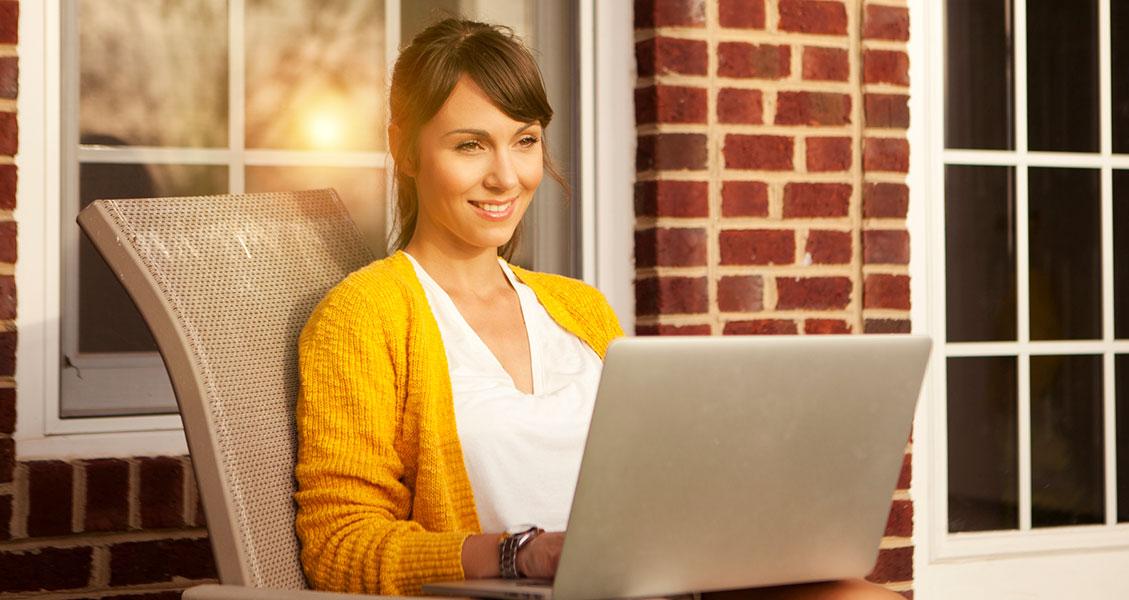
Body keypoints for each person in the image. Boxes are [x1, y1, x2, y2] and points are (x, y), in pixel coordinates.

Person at [294, 17, 904, 600]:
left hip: (650, 582)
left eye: (525, 141)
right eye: (470, 145)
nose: (506, 177)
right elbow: (340, 546)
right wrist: (521, 553)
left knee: (862, 593)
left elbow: (648, 485)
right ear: (405, 149)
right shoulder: (363, 316)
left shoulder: (578, 308)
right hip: (524, 591)